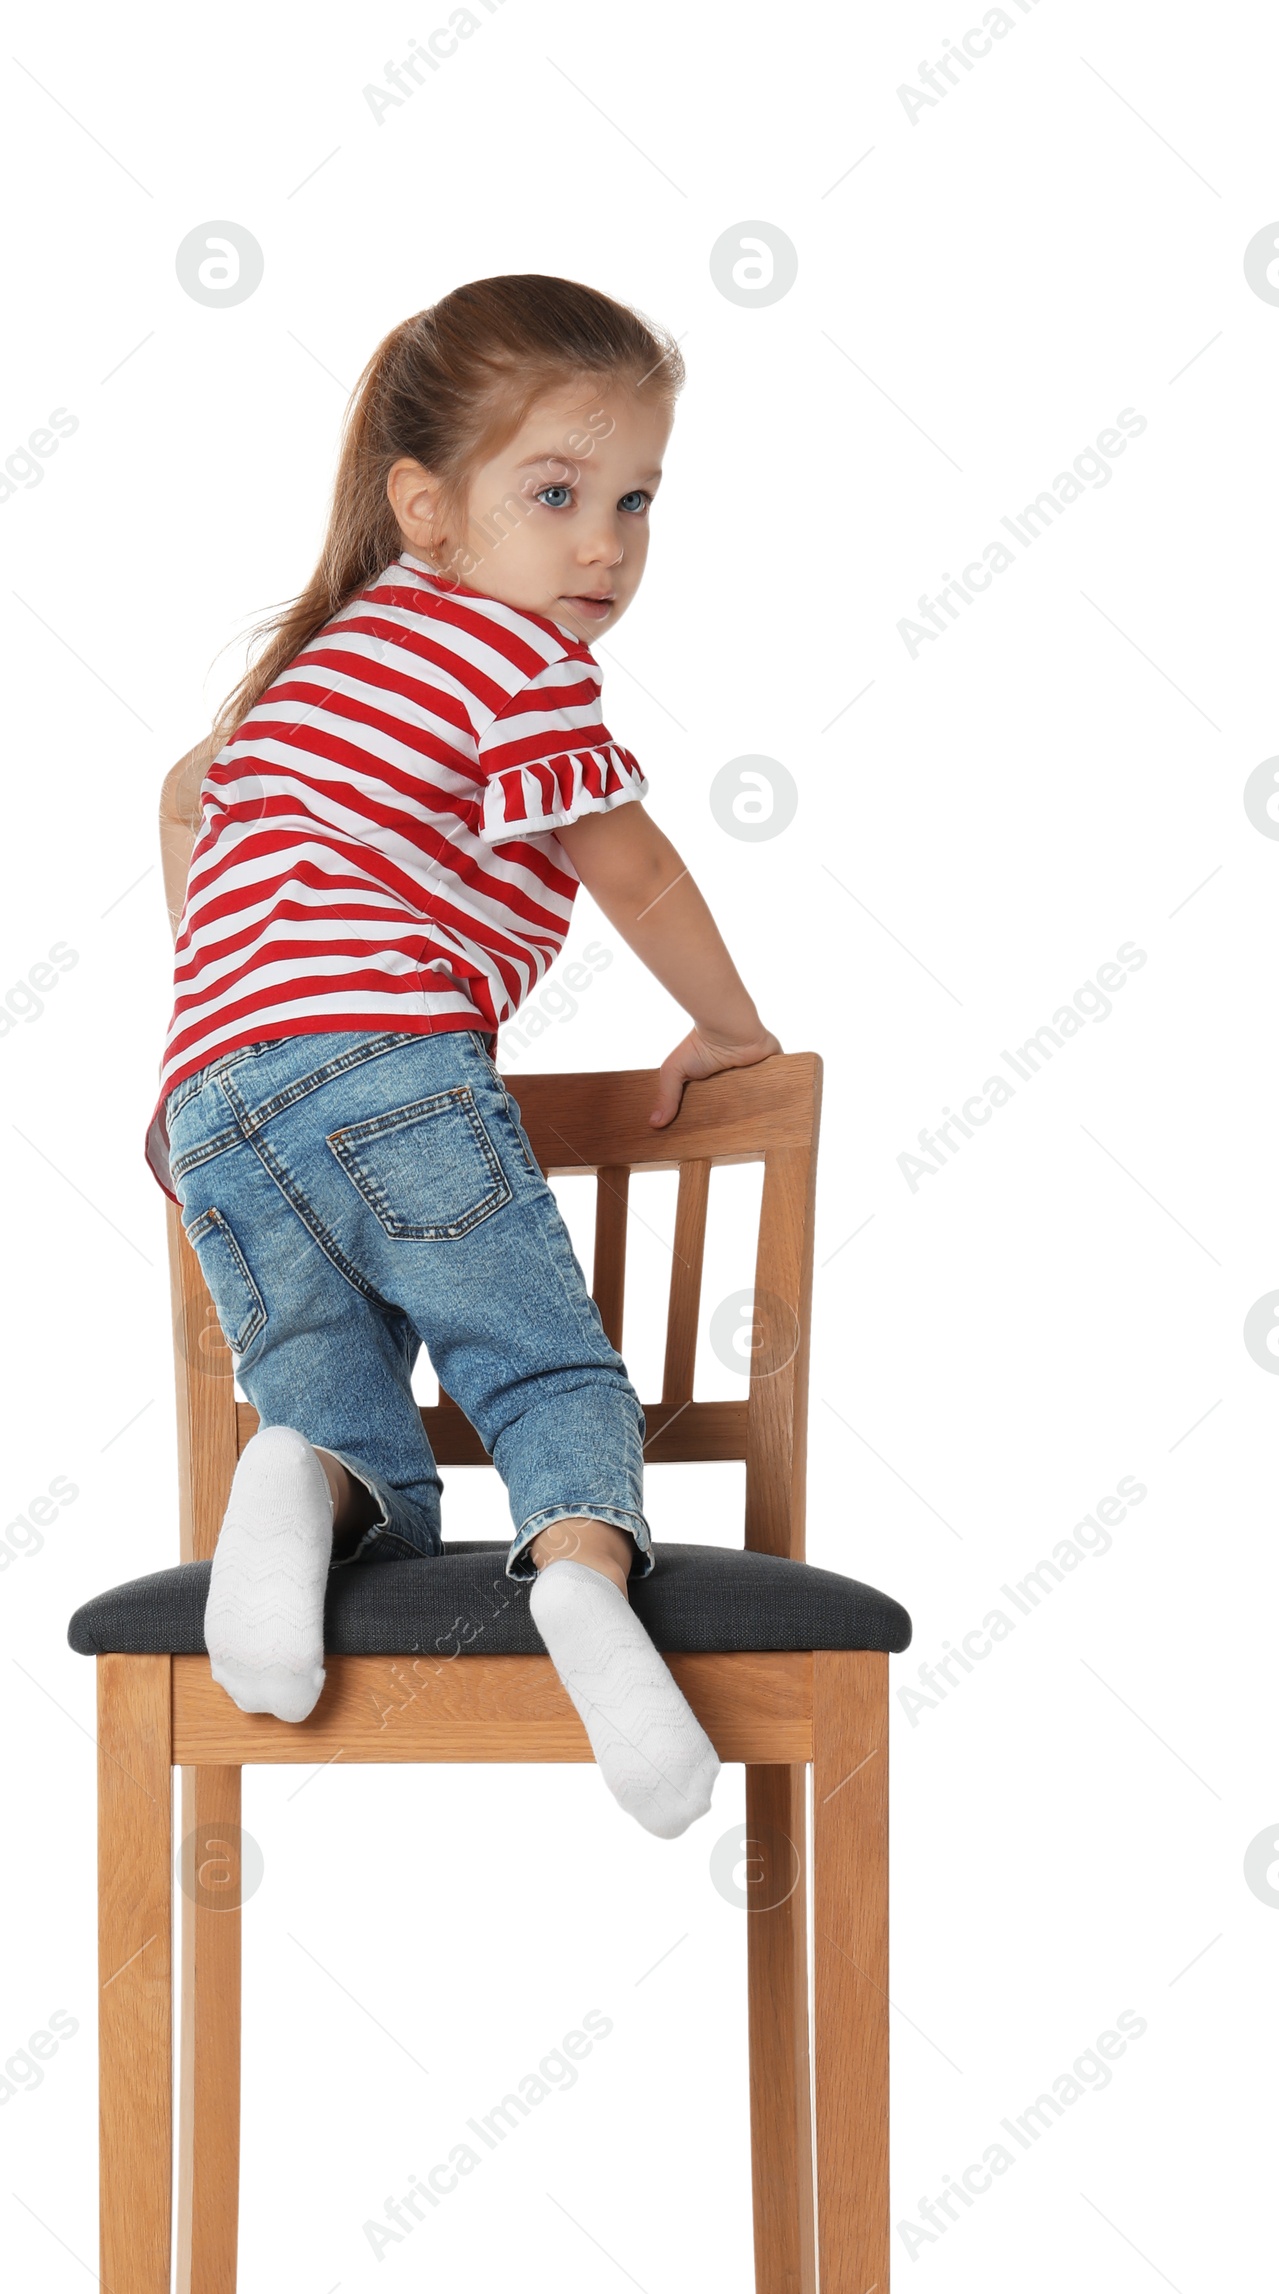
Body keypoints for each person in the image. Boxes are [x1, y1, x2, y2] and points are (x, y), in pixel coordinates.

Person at [150, 273, 781, 1837]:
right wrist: (729, 1025)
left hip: (210, 1103)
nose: (604, 547)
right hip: (385, 1063)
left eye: (636, 500)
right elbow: (630, 866)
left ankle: (306, 1464)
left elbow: (183, 794)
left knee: (327, 1381)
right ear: (424, 506)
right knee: (542, 1362)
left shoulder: (320, 662)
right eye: (556, 494)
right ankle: (581, 1575)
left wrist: (241, 986)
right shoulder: (513, 663)